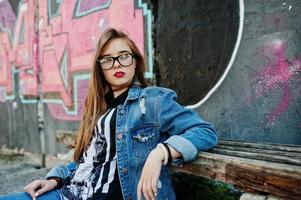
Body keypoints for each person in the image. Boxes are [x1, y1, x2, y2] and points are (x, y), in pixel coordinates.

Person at [0, 28, 218, 200]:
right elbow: (91, 163)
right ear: (100, 69)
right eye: (108, 59)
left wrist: (160, 152)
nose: (117, 64)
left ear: (135, 61)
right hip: (67, 193)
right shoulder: (100, 109)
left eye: (124, 56)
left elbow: (204, 132)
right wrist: (55, 178)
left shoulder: (153, 100)